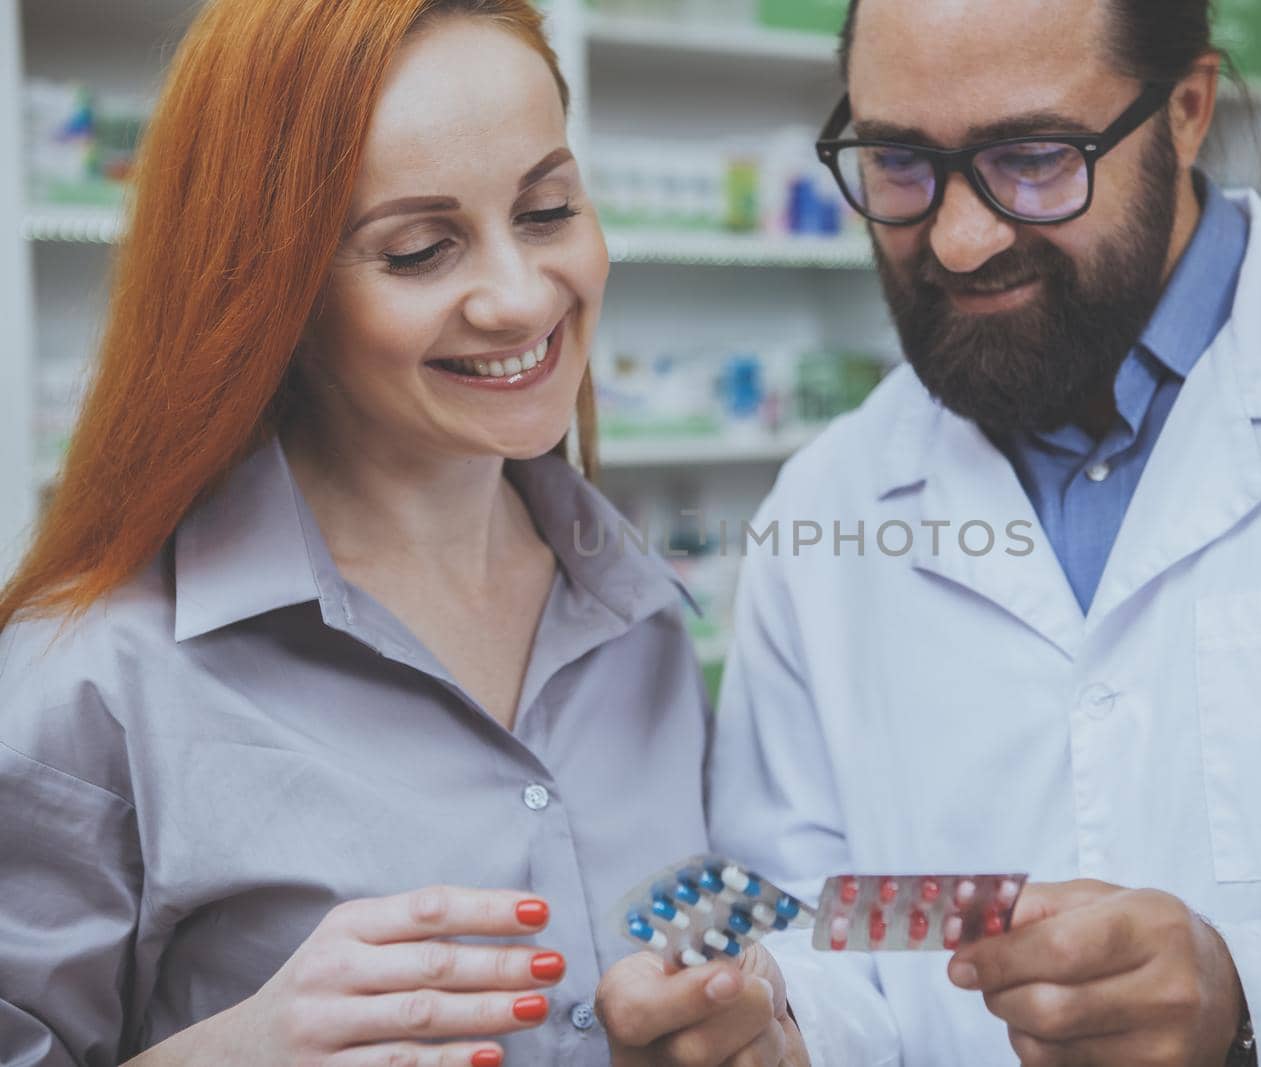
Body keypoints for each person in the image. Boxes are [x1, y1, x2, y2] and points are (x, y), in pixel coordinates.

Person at [707, 0, 1261, 1065]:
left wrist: (1257, 995)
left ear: (1186, 110)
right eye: (898, 162)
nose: (957, 235)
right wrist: (772, 1019)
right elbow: (821, 920)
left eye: (1033, 156)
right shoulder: (826, 502)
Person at [0, 2, 806, 1065]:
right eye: (421, 250)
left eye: (549, 209)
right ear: (270, 289)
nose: (520, 299)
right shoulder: (91, 675)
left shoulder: (639, 616)